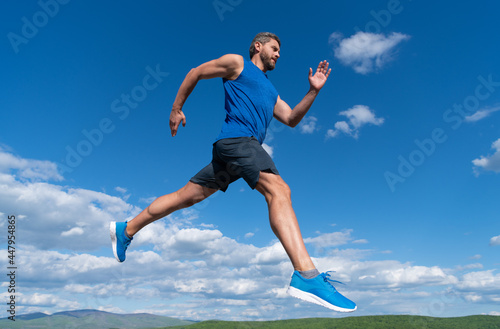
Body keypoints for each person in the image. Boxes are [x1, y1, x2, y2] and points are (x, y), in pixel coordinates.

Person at [110, 32, 356, 313]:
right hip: (238, 143)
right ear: (258, 46)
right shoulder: (238, 64)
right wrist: (177, 108)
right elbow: (196, 72)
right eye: (274, 49)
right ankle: (307, 275)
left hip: (234, 154)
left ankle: (126, 229)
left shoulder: (270, 91)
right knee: (279, 190)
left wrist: (313, 91)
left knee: (185, 197)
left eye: (279, 52)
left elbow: (290, 119)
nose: (278, 54)